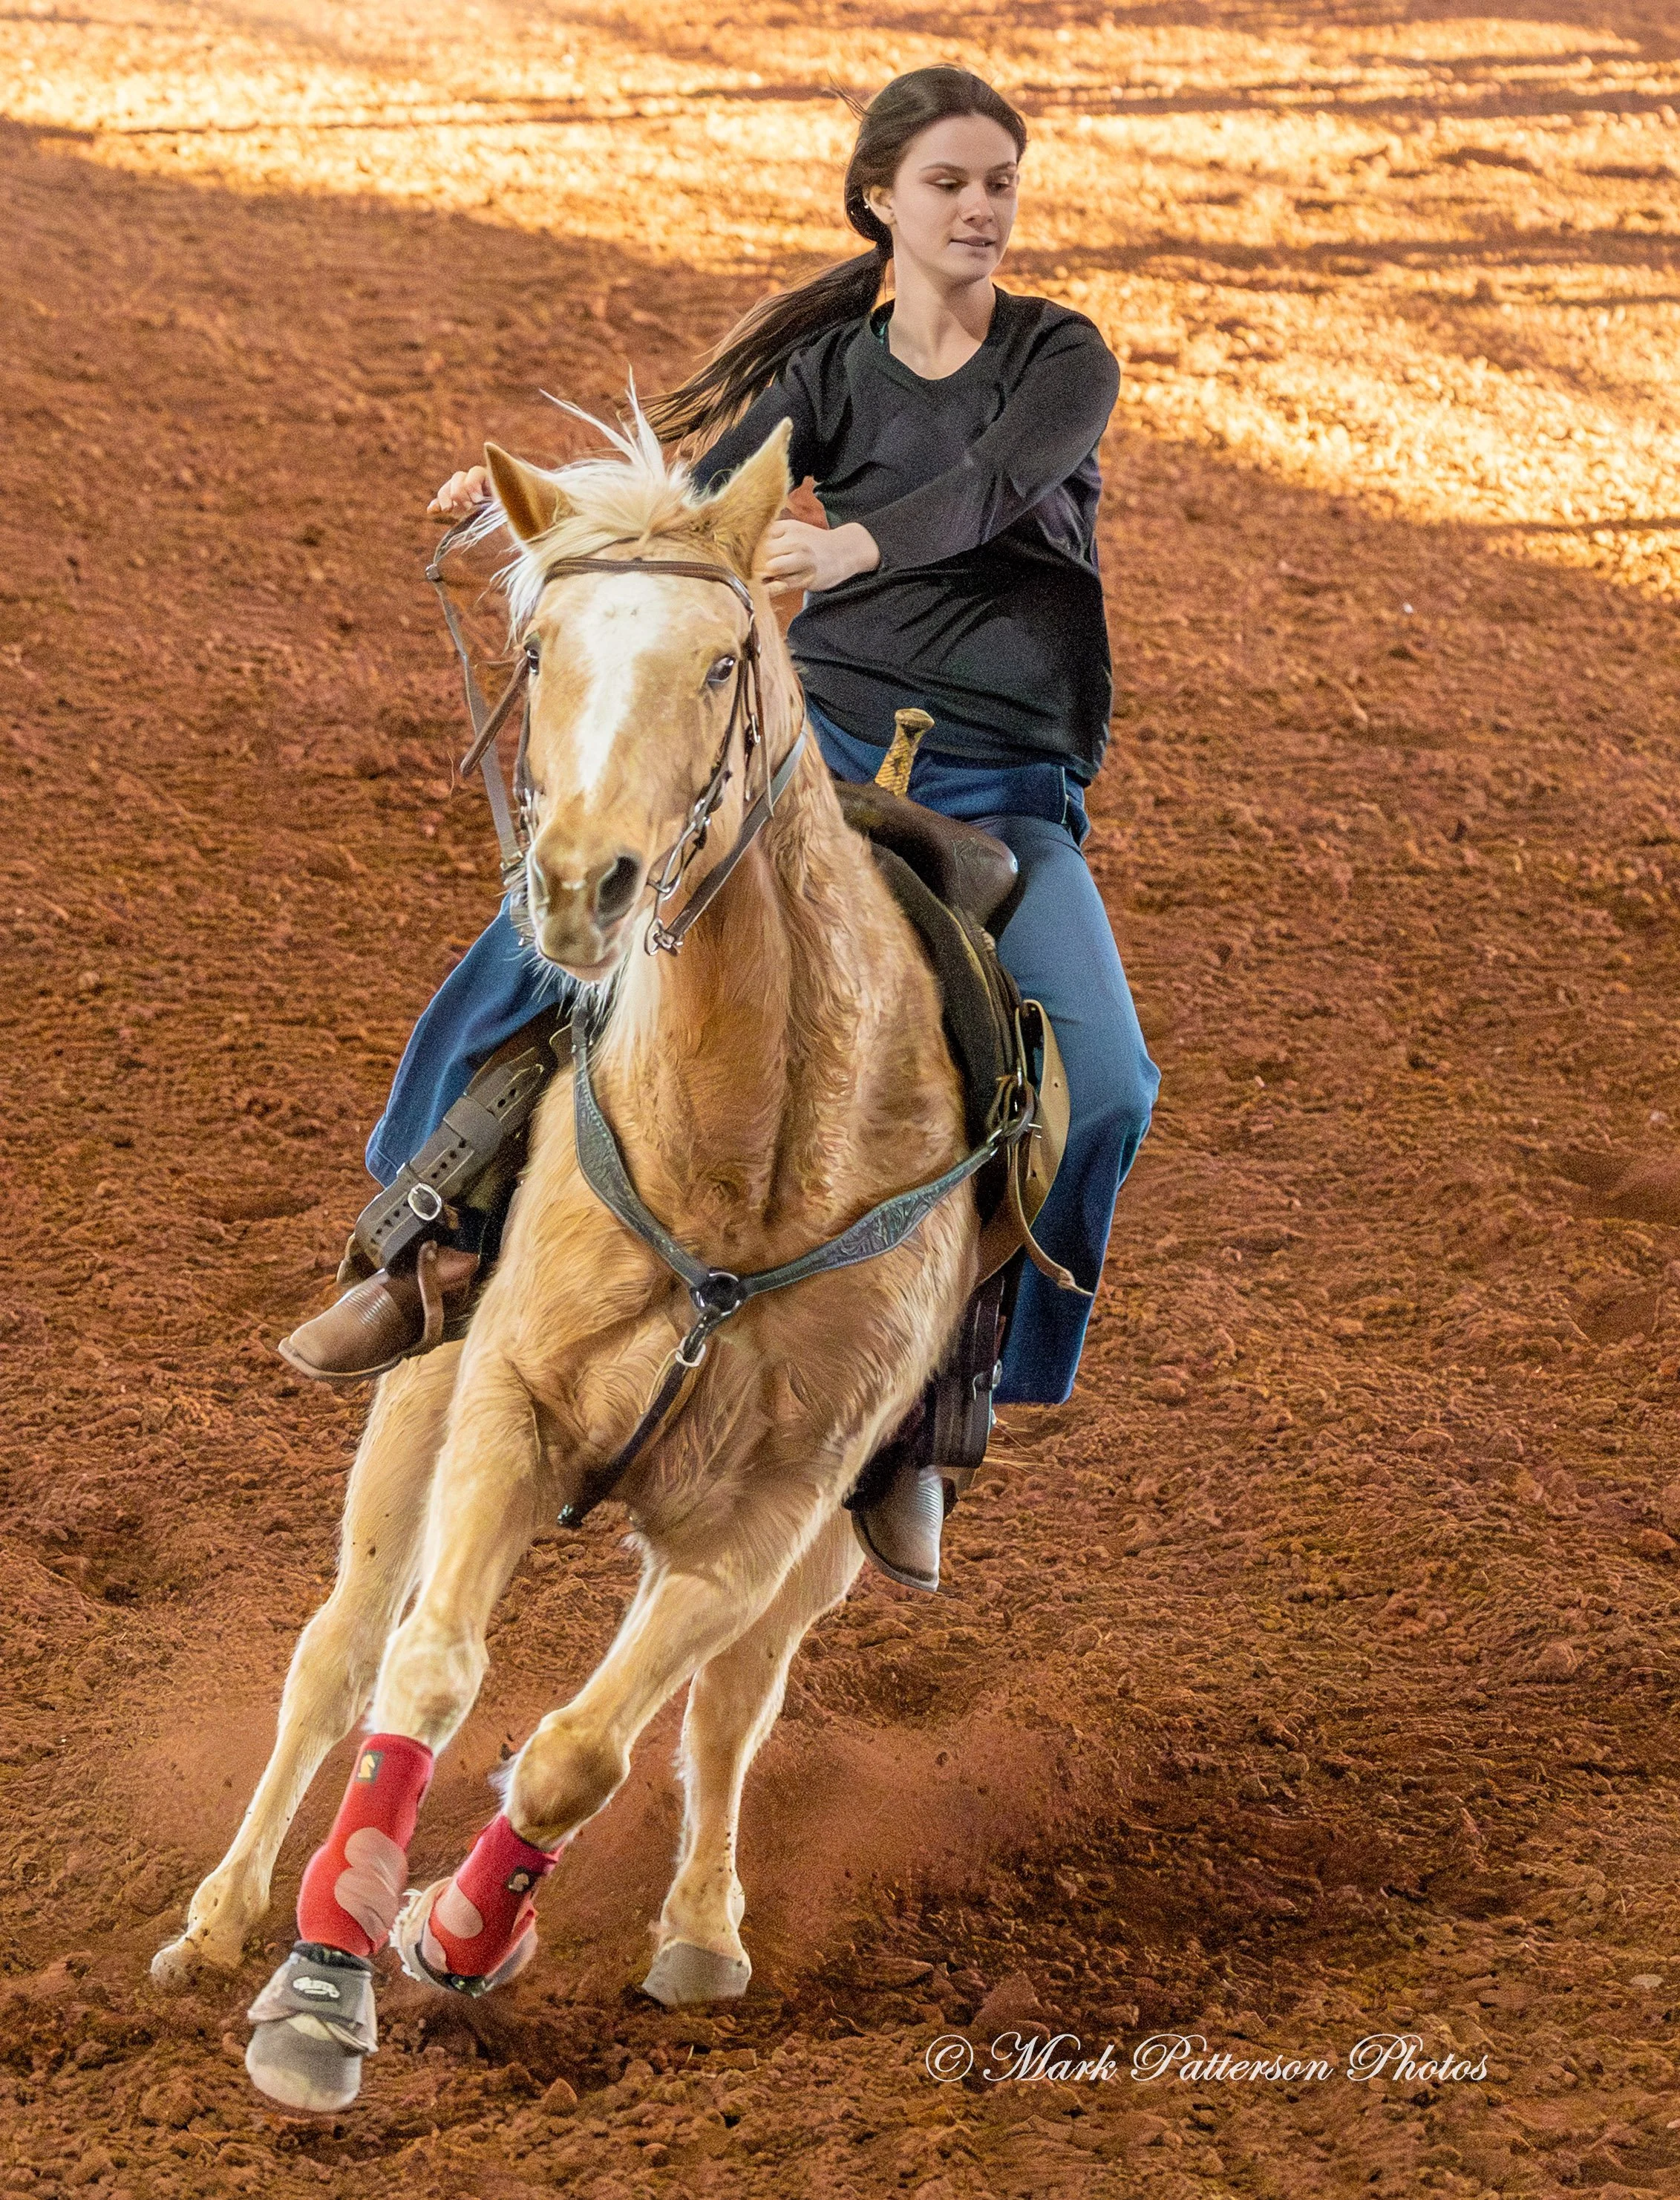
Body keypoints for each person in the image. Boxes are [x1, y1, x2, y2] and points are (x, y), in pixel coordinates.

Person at [283, 65, 1159, 1590]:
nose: (980, 208)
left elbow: (988, 489)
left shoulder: (1058, 358)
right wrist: (532, 515)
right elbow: (685, 507)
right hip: (809, 761)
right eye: (950, 182)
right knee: (543, 934)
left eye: (999, 184)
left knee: (1114, 1077)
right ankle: (417, 1239)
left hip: (1006, 790)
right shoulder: (827, 364)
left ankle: (943, 1408)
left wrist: (837, 541)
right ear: (883, 199)